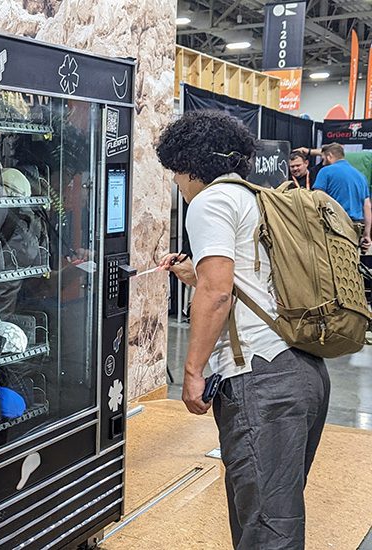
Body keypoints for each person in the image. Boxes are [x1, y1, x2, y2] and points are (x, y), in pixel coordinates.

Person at [155, 110, 330, 550]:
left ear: (192, 164)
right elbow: (245, 280)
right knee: (273, 511)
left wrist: (193, 371)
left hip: (261, 380)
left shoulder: (210, 201)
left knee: (268, 528)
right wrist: (196, 276)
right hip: (302, 369)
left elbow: (217, 294)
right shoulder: (258, 198)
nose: (176, 181)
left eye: (176, 171)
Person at [311, 143, 372, 251]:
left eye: (323, 158)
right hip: (355, 229)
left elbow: (317, 198)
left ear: (329, 156)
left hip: (334, 228)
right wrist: (367, 234)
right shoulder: (360, 176)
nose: (323, 162)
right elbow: (367, 206)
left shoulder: (325, 171)